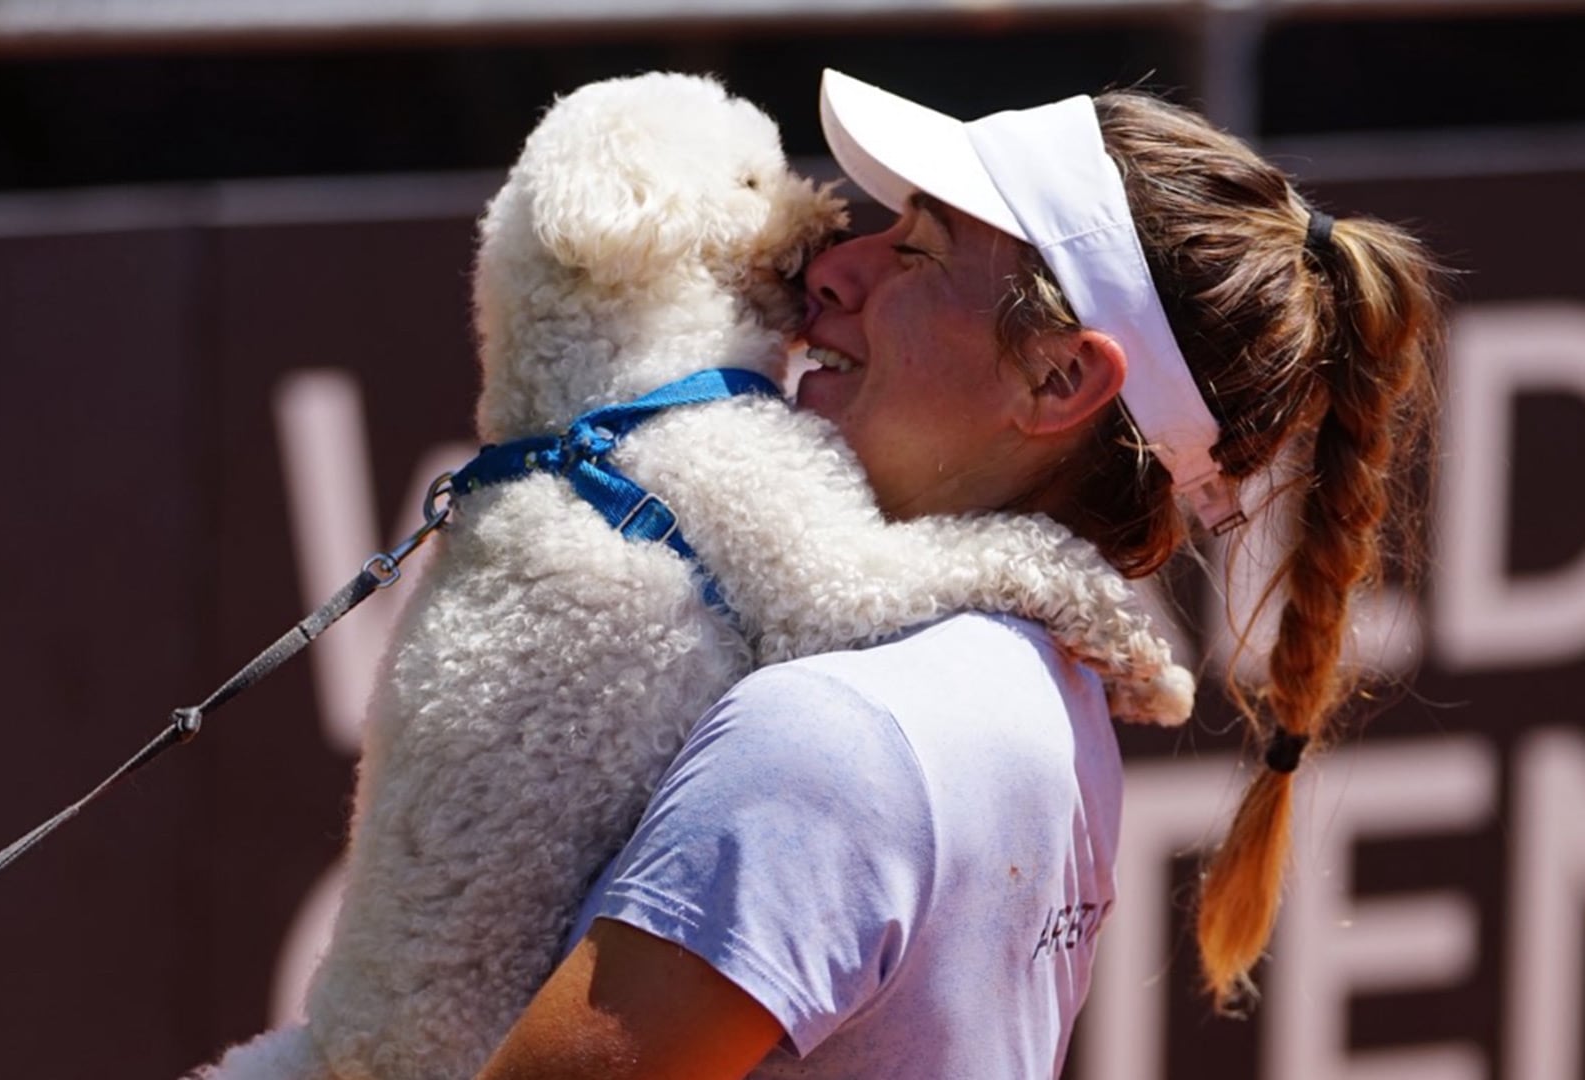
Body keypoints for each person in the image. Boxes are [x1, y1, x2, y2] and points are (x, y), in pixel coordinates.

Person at [473, 67, 1443, 1079]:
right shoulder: (1045, 686)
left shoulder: (832, 736)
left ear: (1058, 376)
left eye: (915, 252)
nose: (831, 270)